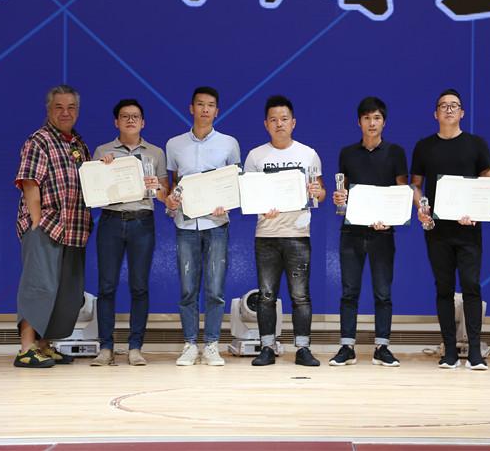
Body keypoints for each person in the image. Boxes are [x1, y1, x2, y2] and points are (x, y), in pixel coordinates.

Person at [410, 88, 490, 370]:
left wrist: (478, 212)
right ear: (435, 113)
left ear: (462, 113)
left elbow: (487, 181)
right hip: (437, 230)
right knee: (443, 288)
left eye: (454, 105)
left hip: (468, 229)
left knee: (471, 286)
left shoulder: (476, 144)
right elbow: (416, 185)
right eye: (443, 105)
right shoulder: (424, 147)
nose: (448, 109)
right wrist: (421, 207)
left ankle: (475, 352)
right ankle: (449, 351)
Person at [13, 85, 92, 368]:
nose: (65, 112)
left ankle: (44, 345)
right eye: (59, 107)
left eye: (71, 107)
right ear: (48, 110)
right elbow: (29, 181)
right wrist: (35, 221)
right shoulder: (39, 140)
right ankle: (26, 349)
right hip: (46, 226)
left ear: (77, 111)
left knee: (64, 293)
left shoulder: (78, 144)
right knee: (39, 287)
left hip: (74, 229)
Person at [244, 95, 326, 367]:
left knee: (300, 296)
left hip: (298, 234)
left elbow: (321, 193)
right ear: (266, 124)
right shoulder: (255, 156)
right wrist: (260, 206)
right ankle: (267, 347)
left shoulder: (308, 154)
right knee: (266, 295)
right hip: (266, 235)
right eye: (274, 120)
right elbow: (248, 195)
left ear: (293, 123)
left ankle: (303, 349)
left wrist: (317, 191)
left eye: (284, 119)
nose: (279, 124)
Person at [329, 97, 408, 367]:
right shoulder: (347, 153)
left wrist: (390, 220)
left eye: (376, 118)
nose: (371, 123)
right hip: (351, 231)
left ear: (384, 122)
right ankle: (347, 347)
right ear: (359, 122)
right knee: (349, 291)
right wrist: (339, 199)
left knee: (383, 293)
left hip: (382, 232)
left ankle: (382, 347)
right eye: (366, 118)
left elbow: (401, 191)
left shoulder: (396, 152)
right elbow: (343, 191)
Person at [165, 86, 241, 366]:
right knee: (187, 289)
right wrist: (171, 200)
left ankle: (211, 344)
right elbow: (174, 183)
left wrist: (227, 203)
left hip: (217, 223)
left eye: (210, 105)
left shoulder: (229, 143)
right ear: (191, 108)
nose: (205, 109)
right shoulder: (174, 144)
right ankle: (189, 344)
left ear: (217, 111)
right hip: (186, 224)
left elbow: (235, 183)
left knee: (215, 289)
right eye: (200, 104)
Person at [90, 99, 169, 366]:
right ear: (116, 122)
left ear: (143, 122)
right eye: (125, 116)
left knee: (139, 286)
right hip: (111, 221)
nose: (131, 120)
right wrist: (102, 170)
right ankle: (106, 347)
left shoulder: (155, 153)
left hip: (142, 222)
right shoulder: (103, 151)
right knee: (106, 286)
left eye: (135, 116)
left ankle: (135, 347)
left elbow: (165, 195)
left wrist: (157, 186)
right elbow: (94, 193)